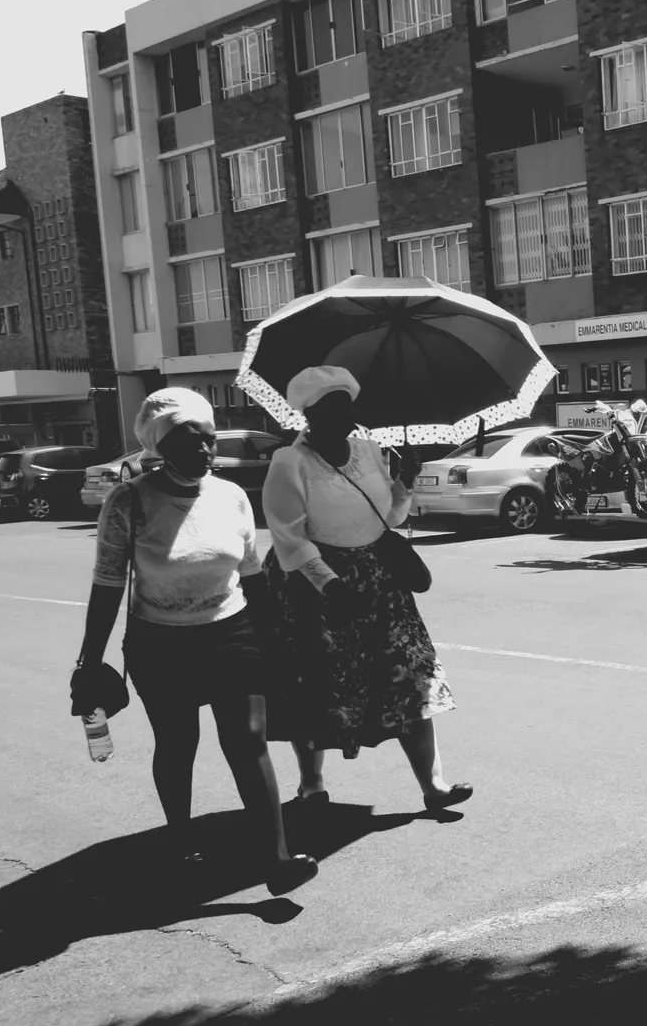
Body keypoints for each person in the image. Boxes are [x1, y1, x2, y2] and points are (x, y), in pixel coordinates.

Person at [71, 388, 317, 891]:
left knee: (248, 742)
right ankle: (180, 840)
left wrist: (275, 640)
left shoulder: (230, 497)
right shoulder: (129, 502)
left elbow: (251, 576)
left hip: (232, 632)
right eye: (190, 442)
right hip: (160, 643)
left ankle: (277, 858)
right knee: (179, 742)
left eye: (209, 440)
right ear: (161, 445)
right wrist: (87, 663)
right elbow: (107, 586)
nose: (205, 451)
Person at [260, 366, 472, 814]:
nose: (346, 417)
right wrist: (331, 586)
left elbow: (390, 518)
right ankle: (312, 783)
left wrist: (404, 482)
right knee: (316, 683)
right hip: (315, 585)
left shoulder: (369, 451)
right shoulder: (289, 463)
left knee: (409, 675)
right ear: (309, 415)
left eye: (348, 407)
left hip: (379, 580)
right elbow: (289, 538)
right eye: (333, 409)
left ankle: (433, 786)